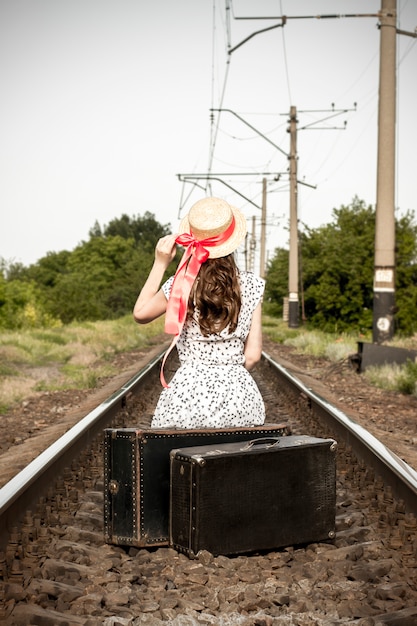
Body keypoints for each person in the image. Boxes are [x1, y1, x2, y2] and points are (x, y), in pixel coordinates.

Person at [133, 196, 265, 429]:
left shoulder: (182, 284)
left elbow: (140, 313)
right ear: (232, 242)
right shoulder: (252, 285)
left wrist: (160, 263)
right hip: (239, 394)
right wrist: (227, 377)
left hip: (189, 394)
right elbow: (253, 355)